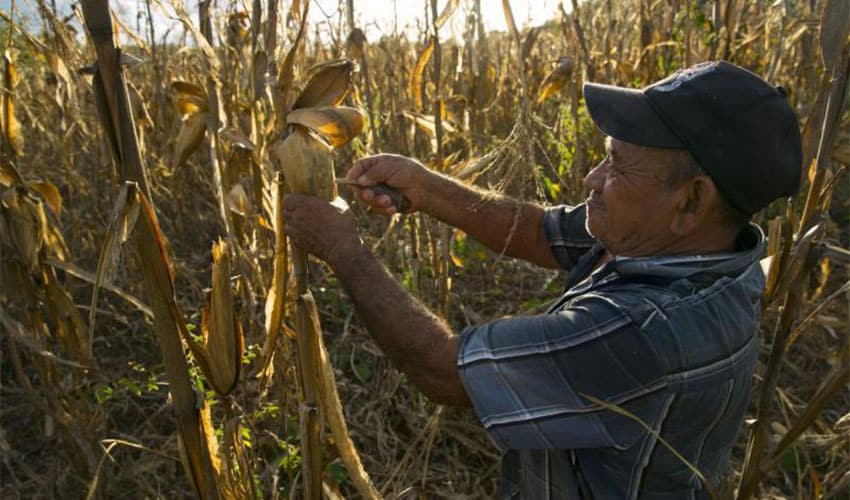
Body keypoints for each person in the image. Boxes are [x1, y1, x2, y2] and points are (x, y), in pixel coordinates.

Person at [282, 61, 802, 499]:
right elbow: (540, 232)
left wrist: (341, 248)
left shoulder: (647, 334)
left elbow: (441, 370)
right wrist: (424, 186)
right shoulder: (697, 245)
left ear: (691, 199)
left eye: (617, 169)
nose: (591, 180)